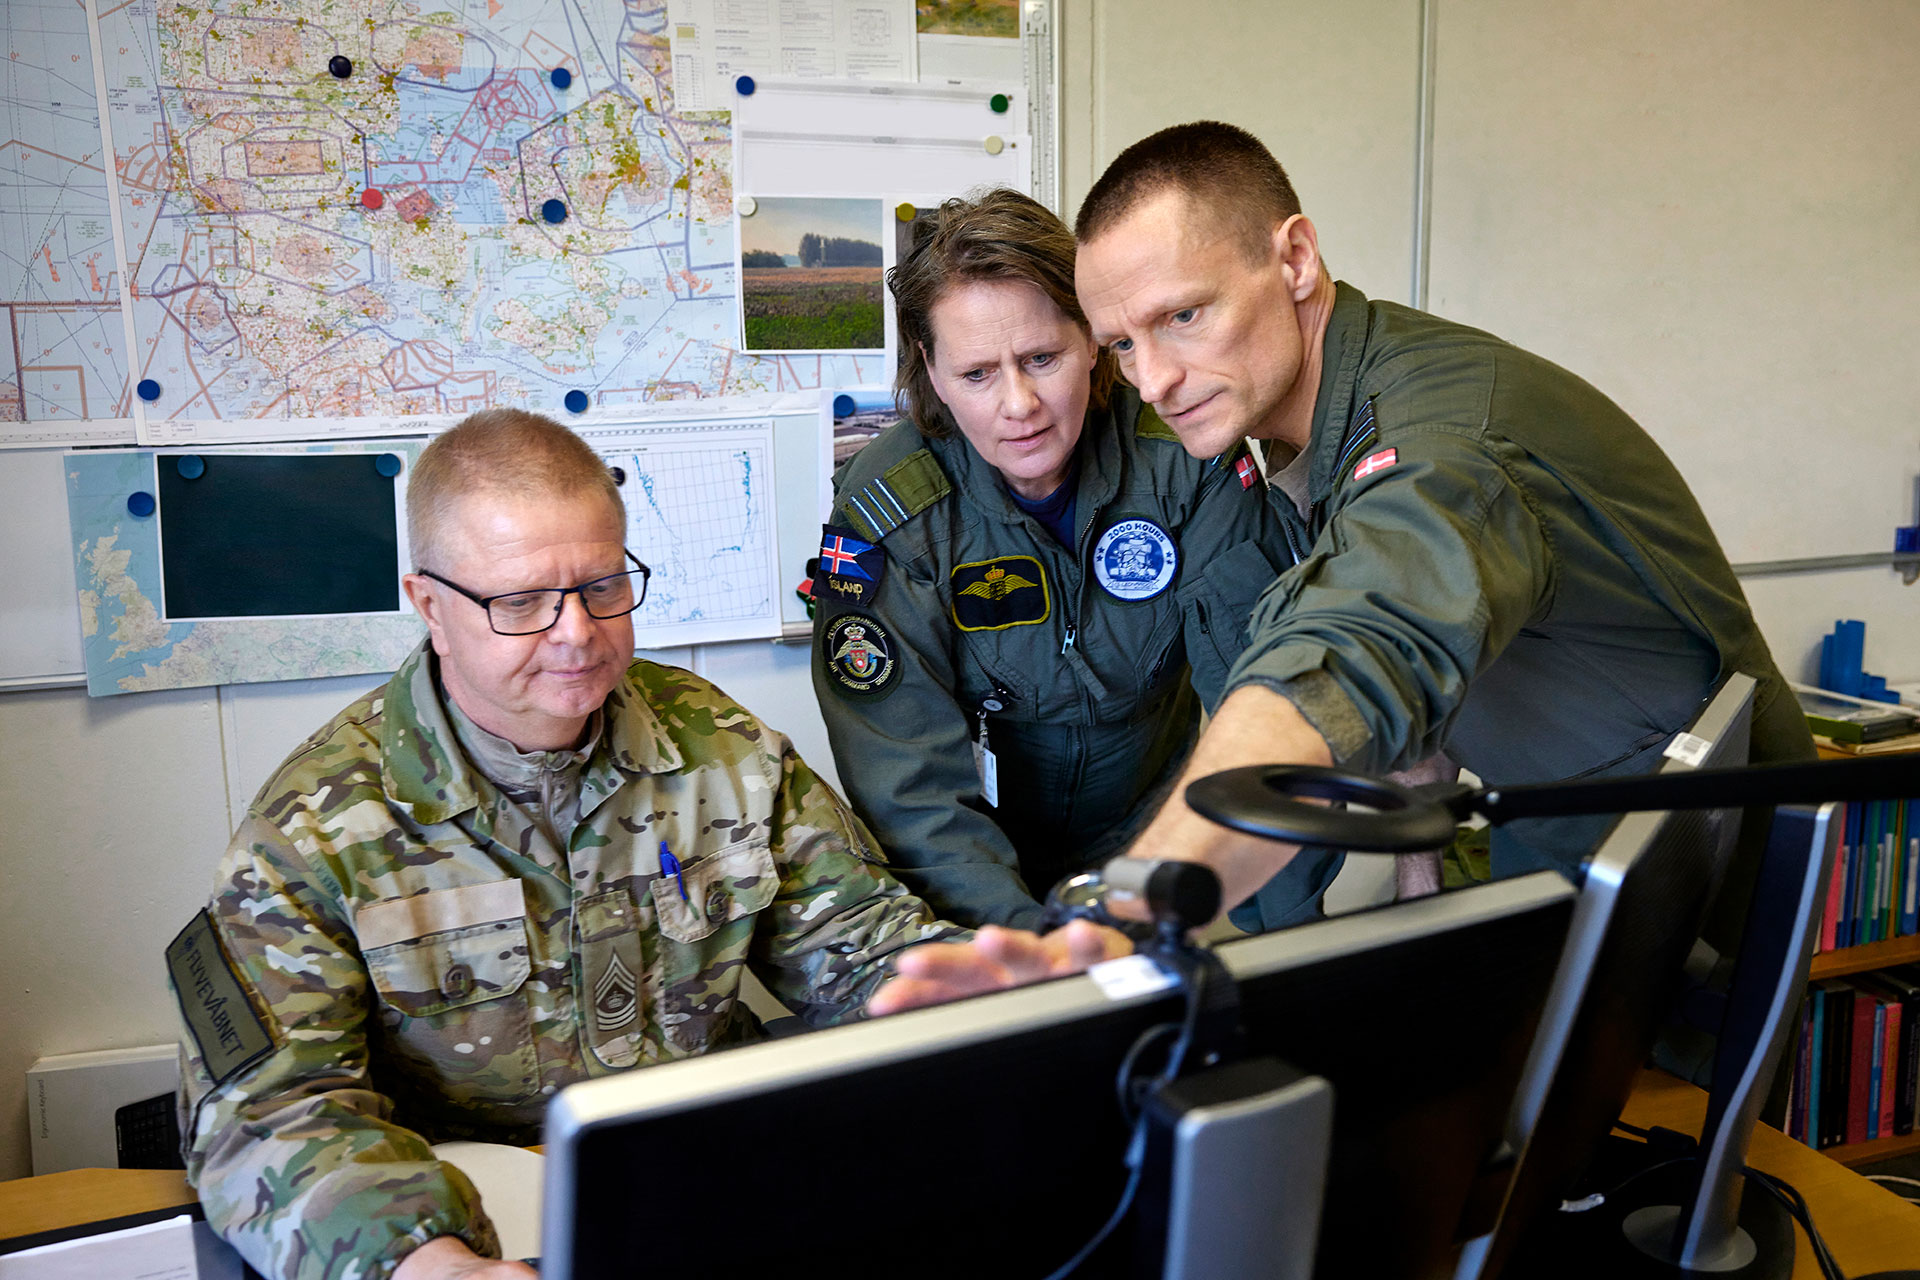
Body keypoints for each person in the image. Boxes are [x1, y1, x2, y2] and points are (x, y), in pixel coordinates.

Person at [166, 409, 1120, 1280]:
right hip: (465, 1226)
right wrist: (421, 1263)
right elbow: (270, 1108)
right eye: (524, 601)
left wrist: (991, 1007)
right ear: (428, 602)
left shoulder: (719, 749)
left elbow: (864, 946)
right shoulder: (316, 827)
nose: (577, 633)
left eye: (602, 585)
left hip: (707, 1193)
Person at [1062, 121, 1814, 926]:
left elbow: (1357, 634)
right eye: (1120, 346)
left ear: (1295, 260)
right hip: (1566, 834)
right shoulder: (1314, 415)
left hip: (1696, 893)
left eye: (1182, 316)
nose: (1154, 379)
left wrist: (1131, 912)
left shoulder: (1442, 442)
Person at [811, 187, 1320, 931]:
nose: (1019, 404)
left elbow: (1272, 704)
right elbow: (909, 789)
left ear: (1091, 339)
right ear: (932, 367)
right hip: (970, 876)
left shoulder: (1184, 460)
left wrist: (1286, 947)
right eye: (978, 373)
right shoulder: (890, 510)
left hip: (1155, 848)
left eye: (1042, 357)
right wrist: (1030, 956)